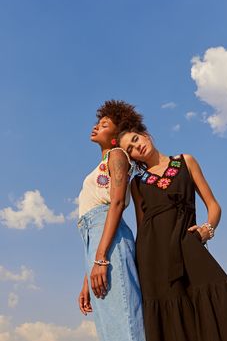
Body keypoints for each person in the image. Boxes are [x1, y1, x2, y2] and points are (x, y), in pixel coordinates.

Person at [118, 127, 227, 341]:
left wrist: (207, 230)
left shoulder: (185, 161)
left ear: (146, 134)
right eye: (130, 149)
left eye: (136, 139)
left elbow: (214, 206)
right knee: (172, 323)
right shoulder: (137, 183)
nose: (137, 147)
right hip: (154, 259)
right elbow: (141, 226)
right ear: (131, 157)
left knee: (224, 300)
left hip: (188, 244)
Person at [77, 100, 146, 341]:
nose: (96, 126)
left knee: (124, 320)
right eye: (98, 122)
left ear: (116, 136)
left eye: (104, 124)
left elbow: (115, 204)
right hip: (98, 243)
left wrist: (101, 259)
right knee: (110, 327)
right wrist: (88, 276)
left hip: (109, 243)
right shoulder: (101, 164)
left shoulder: (117, 155)